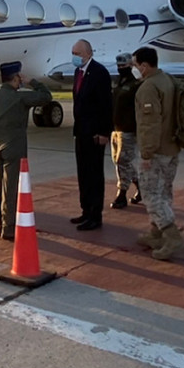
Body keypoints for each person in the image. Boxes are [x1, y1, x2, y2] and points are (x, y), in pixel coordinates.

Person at [0, 61, 53, 241]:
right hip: (14, 147)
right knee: (11, 188)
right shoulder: (20, 97)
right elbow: (46, 96)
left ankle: (0, 222)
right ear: (16, 78)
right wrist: (33, 82)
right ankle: (9, 228)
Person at [131, 46, 184, 260]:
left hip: (157, 151)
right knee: (165, 193)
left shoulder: (148, 87)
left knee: (151, 195)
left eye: (136, 65)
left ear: (144, 66)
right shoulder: (167, 80)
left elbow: (149, 125)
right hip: (171, 147)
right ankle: (157, 233)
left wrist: (146, 154)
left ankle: (172, 237)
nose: (135, 69)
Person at [69, 39, 113, 231]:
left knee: (94, 175)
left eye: (77, 53)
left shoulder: (99, 73)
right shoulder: (78, 73)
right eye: (73, 53)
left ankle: (96, 215)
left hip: (95, 134)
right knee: (83, 173)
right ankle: (85, 210)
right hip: (81, 133)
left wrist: (105, 132)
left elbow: (106, 106)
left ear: (88, 53)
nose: (74, 56)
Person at [110, 52, 142, 209]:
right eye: (119, 66)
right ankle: (140, 185)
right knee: (119, 160)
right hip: (116, 129)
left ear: (131, 66)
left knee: (123, 161)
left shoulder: (135, 86)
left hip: (129, 129)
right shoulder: (118, 84)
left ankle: (121, 194)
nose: (121, 68)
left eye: (124, 66)